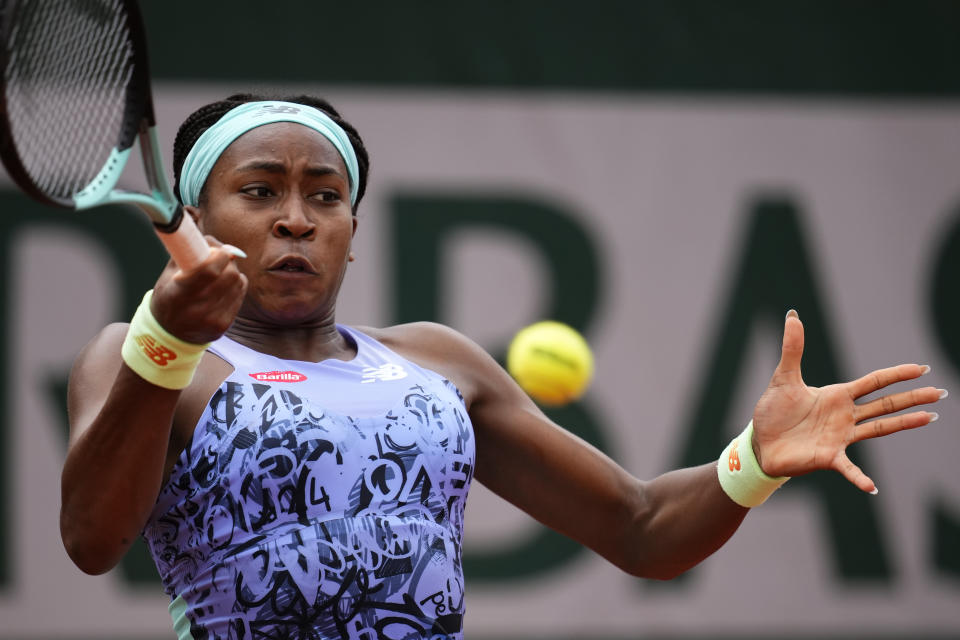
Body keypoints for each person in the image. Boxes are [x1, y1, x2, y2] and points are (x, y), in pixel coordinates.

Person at [59, 93, 945, 640]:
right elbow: (93, 541)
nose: (298, 218)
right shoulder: (142, 357)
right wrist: (164, 342)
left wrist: (751, 458)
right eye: (260, 192)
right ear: (203, 223)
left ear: (353, 236)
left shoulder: (436, 362)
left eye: (325, 196)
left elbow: (639, 528)